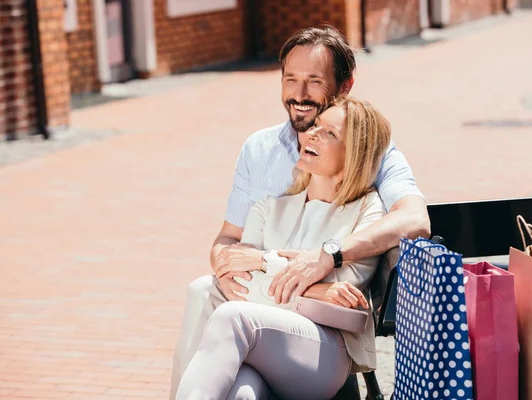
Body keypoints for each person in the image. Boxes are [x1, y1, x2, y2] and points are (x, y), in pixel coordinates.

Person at [169, 25, 430, 399]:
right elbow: (229, 244)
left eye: (313, 80)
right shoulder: (261, 158)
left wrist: (320, 256)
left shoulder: (374, 162)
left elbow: (412, 222)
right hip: (259, 325)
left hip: (315, 341)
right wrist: (235, 269)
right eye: (290, 79)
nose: (299, 94)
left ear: (343, 87)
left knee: (228, 315)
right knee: (239, 384)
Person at [176, 96, 392, 400]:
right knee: (241, 394)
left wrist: (262, 262)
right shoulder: (268, 208)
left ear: (353, 155)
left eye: (330, 133)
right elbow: (236, 274)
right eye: (316, 125)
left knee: (232, 315)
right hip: (261, 348)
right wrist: (313, 288)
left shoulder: (367, 211)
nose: (312, 133)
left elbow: (342, 295)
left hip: (323, 351)